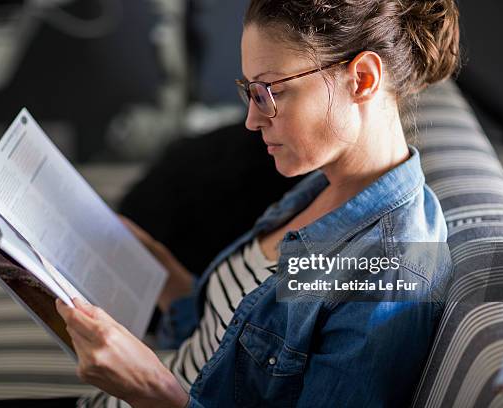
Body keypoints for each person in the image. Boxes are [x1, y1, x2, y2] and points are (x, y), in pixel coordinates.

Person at [55, 0, 460, 406]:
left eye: (271, 90)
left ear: (363, 78)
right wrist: (161, 271)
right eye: (249, 91)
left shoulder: (390, 272)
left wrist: (150, 391)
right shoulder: (323, 187)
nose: (251, 119)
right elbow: (230, 338)